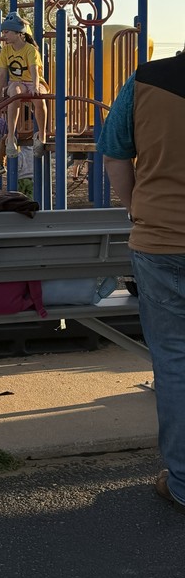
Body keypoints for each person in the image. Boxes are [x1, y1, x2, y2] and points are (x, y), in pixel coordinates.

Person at [98, 46, 185, 515]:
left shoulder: (147, 80)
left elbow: (114, 153)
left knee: (175, 360)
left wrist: (137, 210)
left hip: (162, 238)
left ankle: (184, 483)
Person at [0, 11, 49, 159]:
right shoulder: (5, 50)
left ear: (19, 33)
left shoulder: (30, 50)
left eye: (7, 32)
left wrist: (36, 87)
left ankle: (42, 135)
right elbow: (2, 75)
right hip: (18, 82)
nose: (4, 35)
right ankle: (11, 137)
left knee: (39, 98)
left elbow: (34, 71)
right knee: (14, 94)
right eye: (3, 32)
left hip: (33, 81)